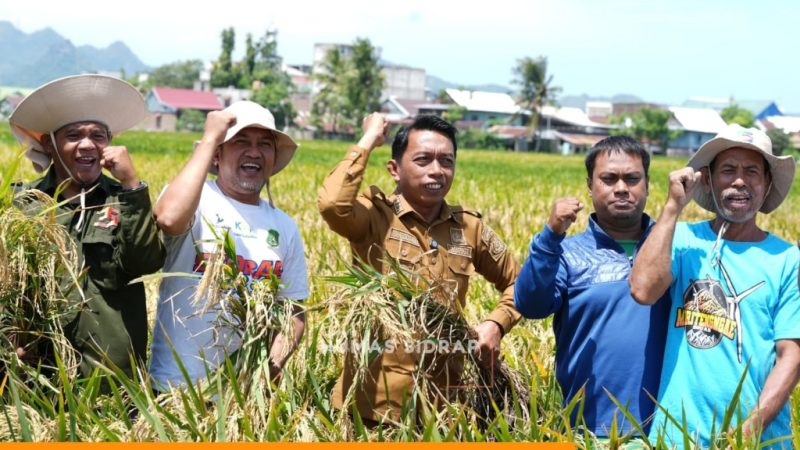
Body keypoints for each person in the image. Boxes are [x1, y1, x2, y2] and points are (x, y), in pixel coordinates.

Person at [318, 113, 520, 423]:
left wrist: (496, 323)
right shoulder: (374, 217)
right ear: (394, 169)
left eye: (446, 161)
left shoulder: (469, 228)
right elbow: (333, 205)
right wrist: (370, 139)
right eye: (423, 160)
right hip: (372, 409)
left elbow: (520, 283)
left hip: (443, 410)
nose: (437, 171)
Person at [629, 124, 800, 448]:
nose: (739, 181)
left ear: (766, 186)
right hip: (679, 437)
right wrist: (672, 208)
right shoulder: (682, 239)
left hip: (759, 440)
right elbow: (643, 290)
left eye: (752, 171)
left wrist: (750, 428)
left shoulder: (787, 259)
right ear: (707, 179)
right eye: (728, 170)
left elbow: (791, 356)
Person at [8, 74, 165, 378]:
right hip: (42, 382)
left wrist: (131, 184)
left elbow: (146, 262)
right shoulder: (24, 206)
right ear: (49, 144)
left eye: (98, 135)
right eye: (73, 135)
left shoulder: (124, 201)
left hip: (115, 385)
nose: (87, 145)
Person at [513, 136, 669, 438]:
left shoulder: (674, 251)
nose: (621, 188)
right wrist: (550, 236)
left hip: (669, 431)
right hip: (588, 431)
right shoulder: (568, 253)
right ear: (590, 185)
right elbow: (530, 305)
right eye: (608, 179)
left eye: (632, 179)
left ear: (647, 185)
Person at [148, 100, 308, 390]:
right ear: (217, 154)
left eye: (265, 144)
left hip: (244, 398)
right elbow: (169, 219)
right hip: (176, 390)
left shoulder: (285, 227)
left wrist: (267, 370)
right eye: (240, 141)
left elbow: (293, 311)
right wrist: (210, 138)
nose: (254, 152)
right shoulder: (195, 201)